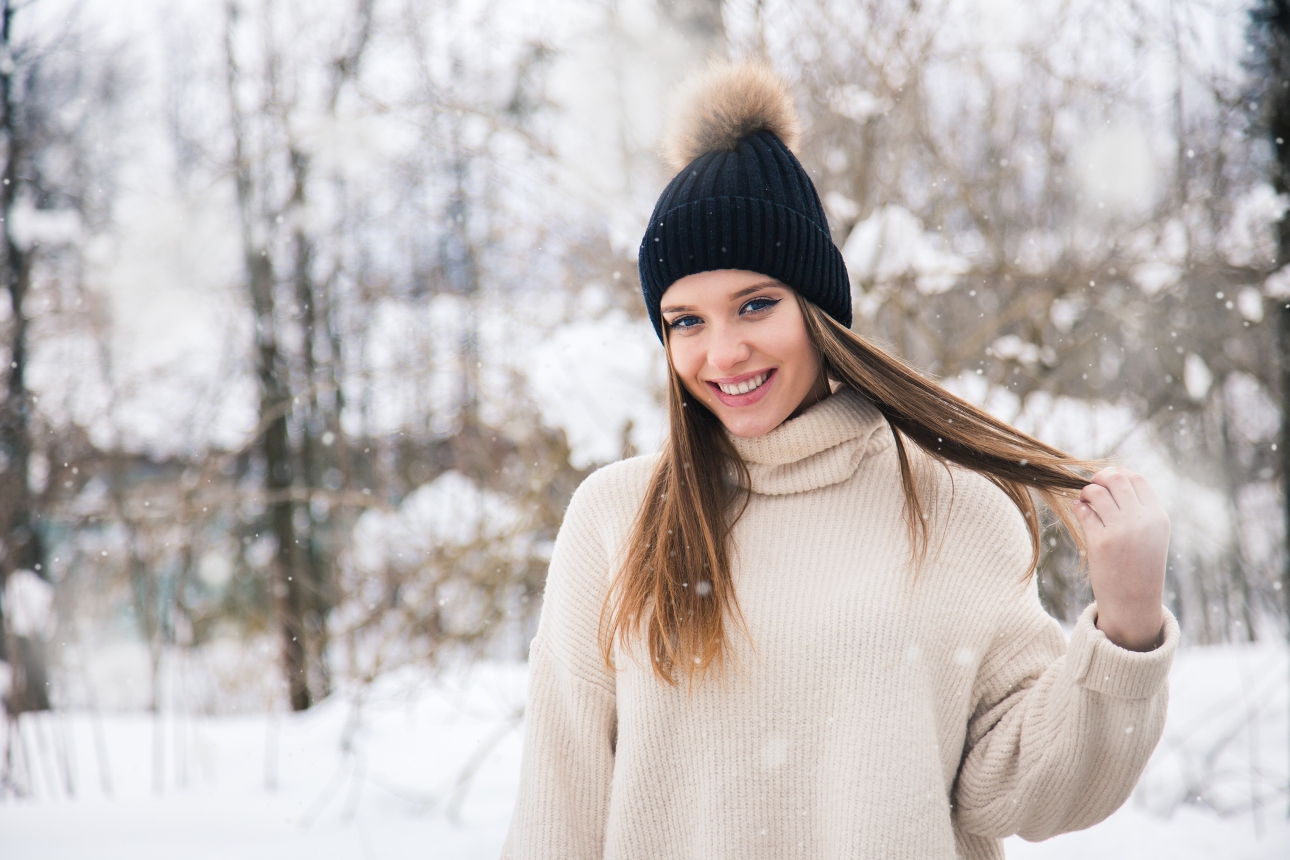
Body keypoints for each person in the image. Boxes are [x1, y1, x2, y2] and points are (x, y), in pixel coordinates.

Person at [502, 61, 1176, 860]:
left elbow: (1026, 787)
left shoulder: (952, 507)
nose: (723, 352)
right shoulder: (616, 520)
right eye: (685, 321)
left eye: (756, 304)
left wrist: (1127, 623)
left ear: (820, 309)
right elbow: (559, 809)